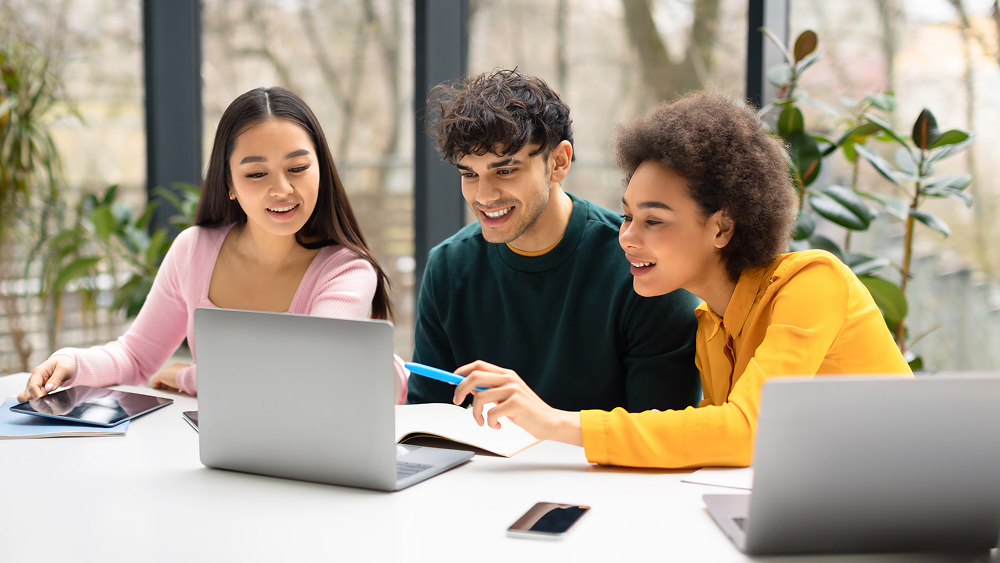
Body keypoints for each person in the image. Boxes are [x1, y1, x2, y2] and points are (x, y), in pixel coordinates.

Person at [451, 92, 913, 469]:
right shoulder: (710, 325)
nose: (626, 238)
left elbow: (745, 431)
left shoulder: (813, 282)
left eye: (654, 221)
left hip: (913, 509)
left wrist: (553, 422)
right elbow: (708, 442)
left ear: (722, 227)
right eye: (628, 216)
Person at [18, 87, 404, 402]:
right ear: (229, 185)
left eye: (299, 168)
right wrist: (71, 362)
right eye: (256, 173)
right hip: (224, 454)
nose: (283, 189)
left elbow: (301, 373)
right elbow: (136, 357)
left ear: (322, 169)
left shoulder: (347, 270)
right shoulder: (194, 250)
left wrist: (187, 376)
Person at [407, 69, 702, 414]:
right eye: (469, 174)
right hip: (478, 469)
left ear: (558, 162)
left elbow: (660, 440)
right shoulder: (448, 267)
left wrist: (544, 420)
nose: (483, 196)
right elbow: (425, 422)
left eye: (505, 170)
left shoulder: (642, 267)